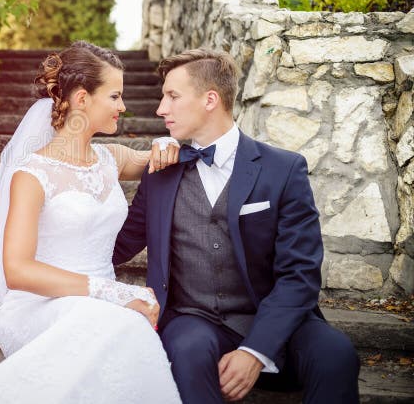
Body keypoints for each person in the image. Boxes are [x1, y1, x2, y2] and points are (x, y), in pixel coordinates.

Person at [114, 48, 361, 403]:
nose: (161, 109)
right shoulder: (161, 174)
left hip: (274, 320)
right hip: (193, 319)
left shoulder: (283, 170)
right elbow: (118, 245)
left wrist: (255, 350)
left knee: (336, 356)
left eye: (172, 96)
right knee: (186, 348)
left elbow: (300, 274)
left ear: (210, 99)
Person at [0, 41, 182, 403]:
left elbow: (161, 155)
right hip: (38, 306)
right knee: (123, 328)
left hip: (100, 306)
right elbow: (17, 271)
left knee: (121, 330)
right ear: (81, 100)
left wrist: (167, 142)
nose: (122, 106)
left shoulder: (113, 159)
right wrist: (114, 291)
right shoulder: (31, 174)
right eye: (114, 96)